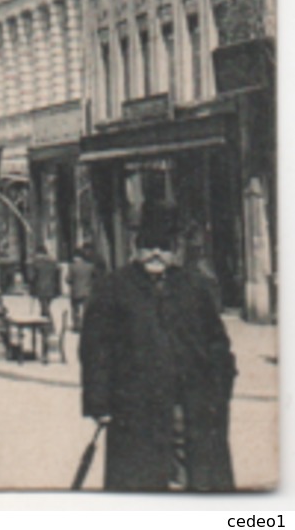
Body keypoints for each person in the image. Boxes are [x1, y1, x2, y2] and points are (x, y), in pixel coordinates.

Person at [80, 201, 236, 492]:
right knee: (143, 486)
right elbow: (94, 349)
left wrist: (220, 390)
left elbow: (218, 343)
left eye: (163, 246)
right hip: (136, 410)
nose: (156, 253)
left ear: (174, 250)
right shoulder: (113, 288)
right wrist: (98, 402)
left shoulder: (195, 286)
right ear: (135, 248)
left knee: (199, 484)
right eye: (148, 245)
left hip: (191, 407)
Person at [68, 244, 98, 332]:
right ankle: (87, 325)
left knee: (75, 309)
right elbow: (95, 276)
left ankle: (77, 325)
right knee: (87, 309)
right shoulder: (90, 266)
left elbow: (68, 279)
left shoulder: (72, 266)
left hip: (76, 291)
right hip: (87, 291)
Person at [29, 244, 62, 323]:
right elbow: (57, 275)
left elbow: (31, 277)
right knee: (45, 307)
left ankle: (49, 326)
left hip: (41, 289)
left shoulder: (36, 263)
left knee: (44, 308)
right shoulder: (53, 262)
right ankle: (44, 326)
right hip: (52, 288)